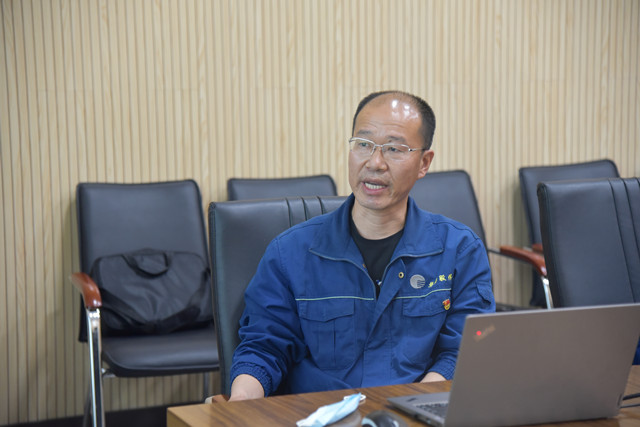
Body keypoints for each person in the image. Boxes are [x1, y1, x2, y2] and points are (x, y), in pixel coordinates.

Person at [228, 90, 495, 401]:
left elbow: (462, 351)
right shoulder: (289, 252)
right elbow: (264, 348)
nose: (375, 163)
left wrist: (415, 406)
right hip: (318, 414)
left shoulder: (460, 250)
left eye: (394, 149)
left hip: (414, 411)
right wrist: (239, 404)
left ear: (424, 163)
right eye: (363, 144)